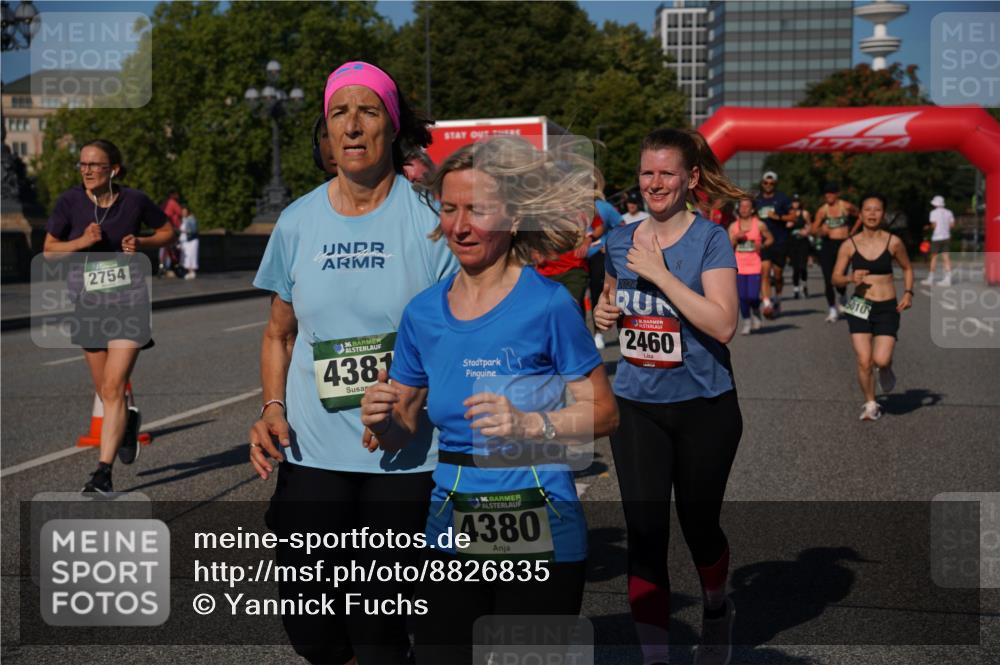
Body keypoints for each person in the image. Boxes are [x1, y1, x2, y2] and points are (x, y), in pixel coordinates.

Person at [360, 136, 618, 664]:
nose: (459, 226)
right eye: (450, 209)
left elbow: (605, 411)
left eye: (477, 210)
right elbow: (404, 425)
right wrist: (382, 419)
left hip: (539, 520)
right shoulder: (423, 313)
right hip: (450, 523)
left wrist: (530, 426)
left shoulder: (548, 304)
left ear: (513, 215)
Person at [248, 61, 458, 665]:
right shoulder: (297, 222)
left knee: (378, 630)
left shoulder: (431, 223)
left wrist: (404, 406)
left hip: (406, 456)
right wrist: (271, 408)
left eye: (368, 111)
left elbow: (449, 341)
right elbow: (278, 334)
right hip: (314, 451)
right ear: (327, 130)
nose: (353, 125)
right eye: (340, 112)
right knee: (311, 625)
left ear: (392, 127)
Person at [594, 128, 744, 665]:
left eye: (666, 173)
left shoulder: (710, 240)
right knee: (646, 532)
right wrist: (603, 314)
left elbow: (724, 324)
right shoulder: (618, 241)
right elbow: (613, 303)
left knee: (699, 526)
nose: (654, 183)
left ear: (690, 179)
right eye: (646, 173)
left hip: (705, 407)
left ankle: (716, 605)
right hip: (637, 406)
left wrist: (660, 272)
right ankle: (655, 658)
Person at [43, 139, 176, 494]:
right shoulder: (69, 203)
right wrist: (81, 243)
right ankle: (128, 424)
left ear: (113, 170)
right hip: (87, 306)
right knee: (104, 390)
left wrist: (143, 242)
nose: (86, 170)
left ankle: (103, 472)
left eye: (94, 164)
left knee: (115, 387)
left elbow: (168, 232)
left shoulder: (134, 201)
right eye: (82, 164)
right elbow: (50, 250)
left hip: (128, 304)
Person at [832, 193, 913, 421]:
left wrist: (908, 293)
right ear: (860, 213)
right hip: (859, 304)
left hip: (886, 305)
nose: (872, 214)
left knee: (881, 360)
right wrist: (850, 278)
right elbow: (835, 278)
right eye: (867, 209)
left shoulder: (893, 242)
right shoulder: (850, 244)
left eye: (877, 210)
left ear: (883, 214)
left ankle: (886, 368)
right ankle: (870, 403)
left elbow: (907, 268)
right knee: (863, 360)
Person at [812, 182, 860, 322]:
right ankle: (832, 309)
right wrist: (821, 231)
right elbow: (813, 229)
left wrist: (853, 232)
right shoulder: (822, 210)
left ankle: (843, 296)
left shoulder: (846, 206)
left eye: (832, 192)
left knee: (841, 278)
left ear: (837, 194)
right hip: (828, 245)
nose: (829, 195)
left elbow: (861, 216)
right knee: (828, 279)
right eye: (826, 193)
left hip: (843, 244)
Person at [729, 196, 774, 335]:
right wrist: (736, 239)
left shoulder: (759, 224)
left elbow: (771, 239)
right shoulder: (733, 226)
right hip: (739, 266)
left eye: (747, 206)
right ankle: (747, 321)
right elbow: (728, 246)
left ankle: (756, 311)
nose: (743, 209)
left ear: (753, 209)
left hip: (755, 264)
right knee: (742, 297)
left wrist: (763, 244)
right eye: (741, 206)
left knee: (753, 296)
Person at [588, 179, 624, 349]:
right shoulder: (569, 207)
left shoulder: (604, 207)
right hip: (575, 260)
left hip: (598, 256)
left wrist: (608, 243)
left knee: (598, 292)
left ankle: (598, 333)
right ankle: (579, 335)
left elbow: (622, 226)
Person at [754, 170, 794, 318]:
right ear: (762, 183)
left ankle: (778, 298)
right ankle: (767, 304)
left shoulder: (782, 198)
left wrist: (777, 216)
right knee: (764, 272)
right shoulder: (757, 199)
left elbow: (793, 216)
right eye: (766, 182)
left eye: (771, 183)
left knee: (777, 275)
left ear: (775, 184)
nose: (768, 185)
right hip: (764, 242)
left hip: (780, 241)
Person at [923, 195, 955, 287]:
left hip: (937, 237)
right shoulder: (949, 212)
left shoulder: (933, 212)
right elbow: (952, 225)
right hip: (946, 236)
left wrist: (928, 227)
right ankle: (948, 279)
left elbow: (934, 225)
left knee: (934, 257)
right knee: (946, 257)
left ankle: (931, 278)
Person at [787, 195, 811, 299]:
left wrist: (806, 231)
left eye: (797, 201)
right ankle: (796, 289)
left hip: (803, 242)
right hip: (792, 243)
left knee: (803, 267)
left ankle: (804, 285)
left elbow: (810, 225)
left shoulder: (804, 213)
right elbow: (784, 227)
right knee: (795, 268)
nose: (795, 203)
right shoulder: (788, 213)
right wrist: (788, 224)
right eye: (793, 201)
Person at [158, 189, 183, 276]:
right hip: (171, 229)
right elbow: (179, 213)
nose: (178, 196)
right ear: (173, 194)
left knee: (164, 248)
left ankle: (162, 266)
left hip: (162, 229)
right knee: (171, 249)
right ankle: (169, 268)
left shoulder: (165, 203)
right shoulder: (172, 203)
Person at [179, 206, 199, 280]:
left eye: (184, 212)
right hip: (186, 241)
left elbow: (193, 231)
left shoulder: (191, 219)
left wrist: (184, 231)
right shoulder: (185, 219)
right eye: (182, 212)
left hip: (191, 241)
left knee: (191, 256)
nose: (183, 213)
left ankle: (192, 272)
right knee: (187, 257)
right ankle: (189, 272)